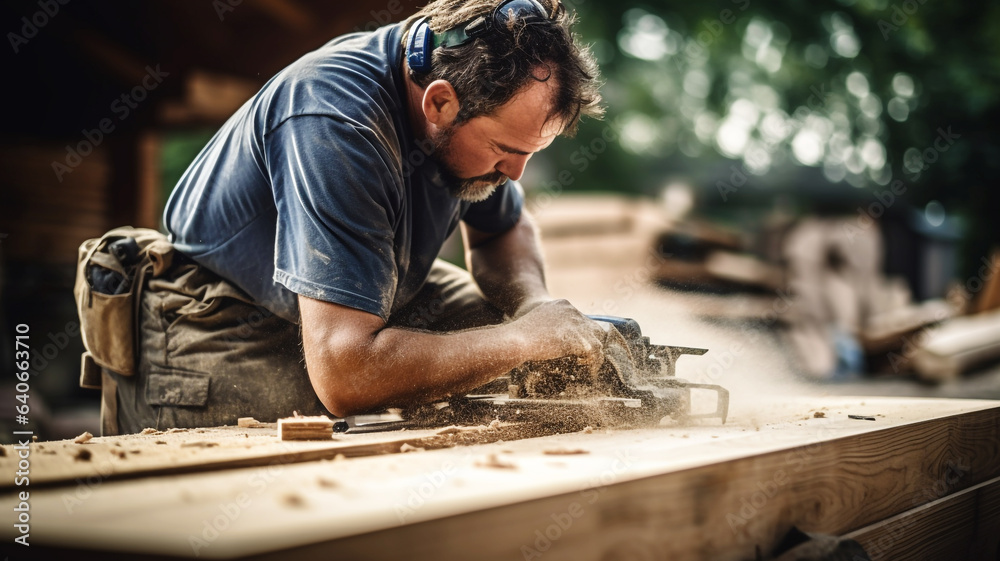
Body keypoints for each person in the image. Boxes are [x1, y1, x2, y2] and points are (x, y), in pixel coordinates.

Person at [102, 0, 608, 434]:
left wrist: (533, 309)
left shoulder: (467, 95)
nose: (516, 174)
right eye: (504, 150)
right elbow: (345, 375)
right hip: (223, 317)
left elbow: (505, 228)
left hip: (355, 317)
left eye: (528, 154)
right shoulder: (334, 119)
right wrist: (522, 341)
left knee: (497, 333)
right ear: (440, 103)